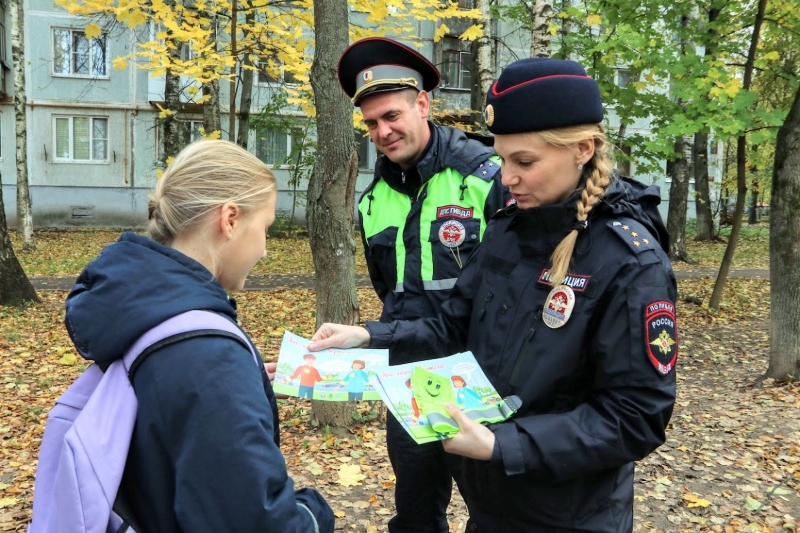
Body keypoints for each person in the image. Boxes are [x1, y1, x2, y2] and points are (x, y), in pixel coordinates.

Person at [312, 57, 677, 532]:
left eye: (524, 162)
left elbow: (636, 417)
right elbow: (452, 325)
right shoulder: (510, 230)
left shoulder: (630, 260)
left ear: (582, 149)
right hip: (490, 503)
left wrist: (502, 445)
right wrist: (365, 336)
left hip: (569, 514)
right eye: (503, 159)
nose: (506, 179)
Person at [63, 140, 334, 533]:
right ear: (230, 219)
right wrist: (314, 512)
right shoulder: (209, 355)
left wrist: (241, 394)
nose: (264, 250)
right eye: (266, 229)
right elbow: (255, 523)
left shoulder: (148, 309)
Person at [337, 37, 510, 533]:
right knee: (415, 511)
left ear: (423, 104)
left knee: (496, 511)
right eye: (371, 124)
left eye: (391, 116)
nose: (382, 132)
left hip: (481, 381)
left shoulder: (485, 178)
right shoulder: (373, 201)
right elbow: (389, 294)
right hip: (409, 379)